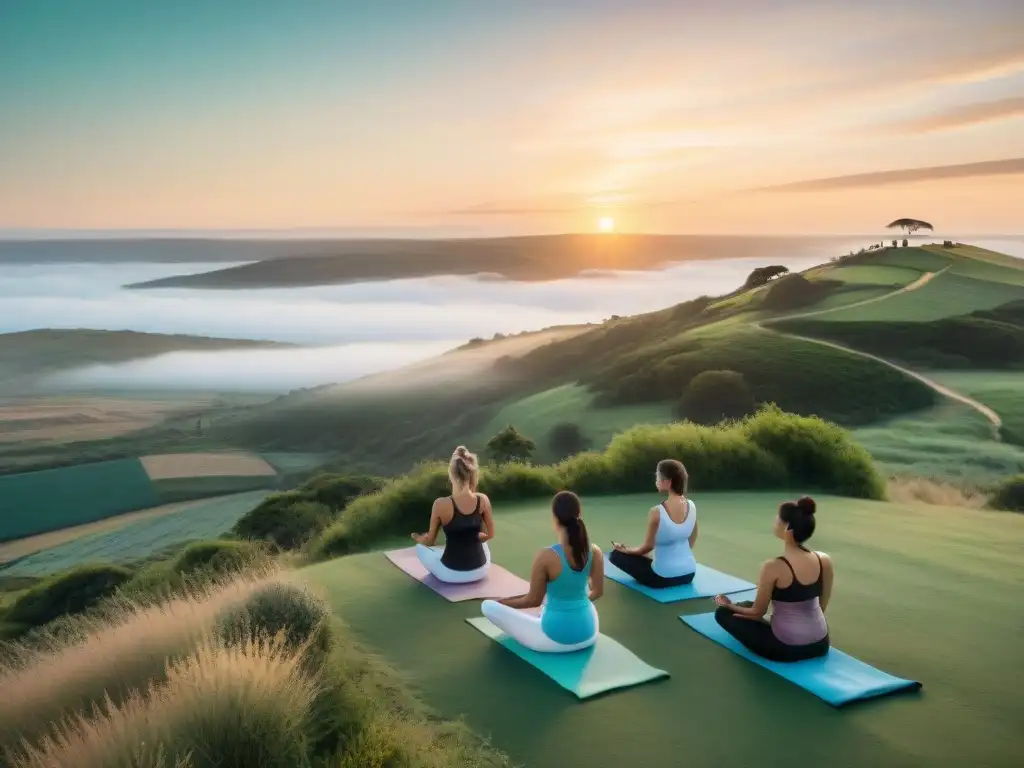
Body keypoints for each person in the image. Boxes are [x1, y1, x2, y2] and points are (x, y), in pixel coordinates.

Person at [481, 490, 604, 652]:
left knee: (487, 606)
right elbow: (598, 591)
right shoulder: (595, 551)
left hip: (554, 640)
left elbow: (532, 600)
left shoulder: (547, 556)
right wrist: (574, 606)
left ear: (555, 518)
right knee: (578, 587)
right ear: (579, 514)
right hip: (588, 633)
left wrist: (502, 603)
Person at [713, 496, 833, 662]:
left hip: (785, 649)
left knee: (723, 613)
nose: (775, 520)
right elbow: (822, 605)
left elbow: (757, 613)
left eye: (778, 518)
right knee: (747, 605)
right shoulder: (824, 560)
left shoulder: (773, 567)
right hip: (821, 643)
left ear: (787, 529)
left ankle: (735, 610)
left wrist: (729, 605)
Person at [609, 459, 698, 588]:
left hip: (662, 578)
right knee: (648, 557)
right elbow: (691, 542)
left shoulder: (656, 511)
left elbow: (647, 547)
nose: (656, 480)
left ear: (667, 482)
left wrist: (626, 550)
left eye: (658, 477)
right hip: (689, 574)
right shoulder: (692, 505)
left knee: (616, 555)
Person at [411, 446, 495, 584]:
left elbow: (430, 541)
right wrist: (473, 536)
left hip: (451, 574)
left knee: (420, 549)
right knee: (482, 545)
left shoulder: (440, 504)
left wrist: (420, 538)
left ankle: (429, 546)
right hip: (480, 570)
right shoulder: (483, 499)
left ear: (451, 474)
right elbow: (489, 535)